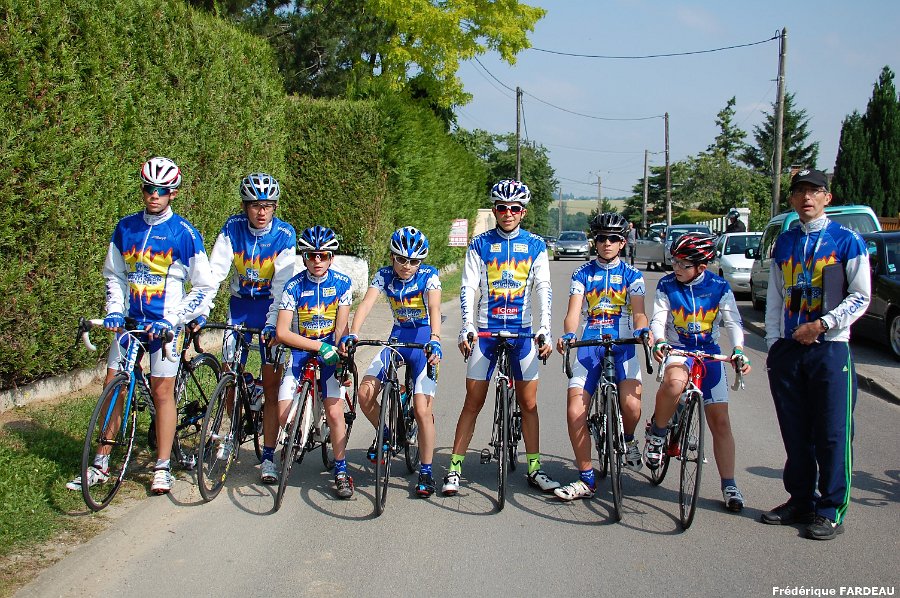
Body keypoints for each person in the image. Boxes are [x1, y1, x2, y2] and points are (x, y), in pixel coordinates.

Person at [67, 157, 216, 495]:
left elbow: (204, 287)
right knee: (113, 387)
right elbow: (115, 275)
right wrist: (114, 310)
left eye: (162, 190)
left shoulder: (184, 233)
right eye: (149, 188)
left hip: (165, 326)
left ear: (173, 193)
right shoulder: (125, 228)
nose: (154, 195)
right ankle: (100, 463)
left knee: (162, 392)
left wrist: (173, 319)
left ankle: (162, 467)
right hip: (131, 324)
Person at [761, 168, 870, 540]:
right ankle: (801, 500)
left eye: (814, 191)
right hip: (789, 350)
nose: (806, 197)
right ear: (792, 199)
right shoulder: (785, 242)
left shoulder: (847, 240)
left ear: (827, 197)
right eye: (800, 192)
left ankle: (831, 510)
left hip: (830, 349)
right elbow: (775, 296)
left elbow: (861, 296)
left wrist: (822, 325)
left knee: (832, 433)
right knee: (795, 431)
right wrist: (774, 342)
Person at [443, 179, 559, 496]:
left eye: (514, 208)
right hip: (486, 330)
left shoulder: (535, 245)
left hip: (522, 332)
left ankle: (534, 468)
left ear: (523, 212)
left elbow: (543, 288)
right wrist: (467, 326)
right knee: (473, 401)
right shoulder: (479, 244)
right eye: (502, 207)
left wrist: (544, 328)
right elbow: (469, 286)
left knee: (529, 403)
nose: (508, 213)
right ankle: (454, 468)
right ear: (494, 210)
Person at [645, 232, 752, 512]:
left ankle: (729, 484)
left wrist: (738, 350)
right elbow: (658, 319)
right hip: (678, 349)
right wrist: (660, 340)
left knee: (721, 422)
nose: (676, 268)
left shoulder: (719, 286)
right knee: (674, 383)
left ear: (701, 267)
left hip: (709, 353)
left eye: (683, 264)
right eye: (674, 262)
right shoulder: (667, 284)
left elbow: (733, 322)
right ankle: (657, 433)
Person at [553, 213, 650, 501]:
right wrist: (569, 334)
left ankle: (628, 439)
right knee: (575, 411)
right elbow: (573, 313)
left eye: (613, 239)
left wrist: (643, 330)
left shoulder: (633, 275)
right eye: (601, 238)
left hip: (623, 343)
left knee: (631, 406)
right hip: (590, 342)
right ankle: (586, 477)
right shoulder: (582, 273)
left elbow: (639, 313)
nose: (607, 243)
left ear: (622, 243)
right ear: (594, 241)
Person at [339, 227, 442, 497]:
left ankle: (426, 471)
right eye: (401, 259)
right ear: (392, 257)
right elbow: (366, 304)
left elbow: (434, 308)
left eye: (414, 261)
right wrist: (354, 333)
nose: (407, 266)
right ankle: (387, 434)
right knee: (364, 394)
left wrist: (435, 338)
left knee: (422, 410)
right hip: (397, 339)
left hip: (423, 343)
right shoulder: (384, 275)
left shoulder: (429, 275)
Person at [207, 173, 296, 484]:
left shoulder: (284, 234)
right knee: (229, 373)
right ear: (245, 206)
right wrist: (201, 307)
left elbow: (282, 284)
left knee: (271, 387)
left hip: (269, 308)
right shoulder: (232, 228)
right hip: (240, 308)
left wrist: (273, 323)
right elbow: (215, 271)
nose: (262, 212)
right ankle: (231, 434)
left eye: (268, 205)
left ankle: (269, 455)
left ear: (275, 207)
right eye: (256, 205)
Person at [274, 226, 354, 498]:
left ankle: (341, 471)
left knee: (334, 413)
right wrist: (319, 346)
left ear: (331, 258)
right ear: (304, 257)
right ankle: (298, 431)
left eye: (323, 255)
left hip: (330, 353)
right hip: (301, 350)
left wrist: (343, 355)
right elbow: (282, 332)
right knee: (284, 415)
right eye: (311, 255)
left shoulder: (342, 283)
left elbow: (341, 327)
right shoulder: (294, 286)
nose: (317, 260)